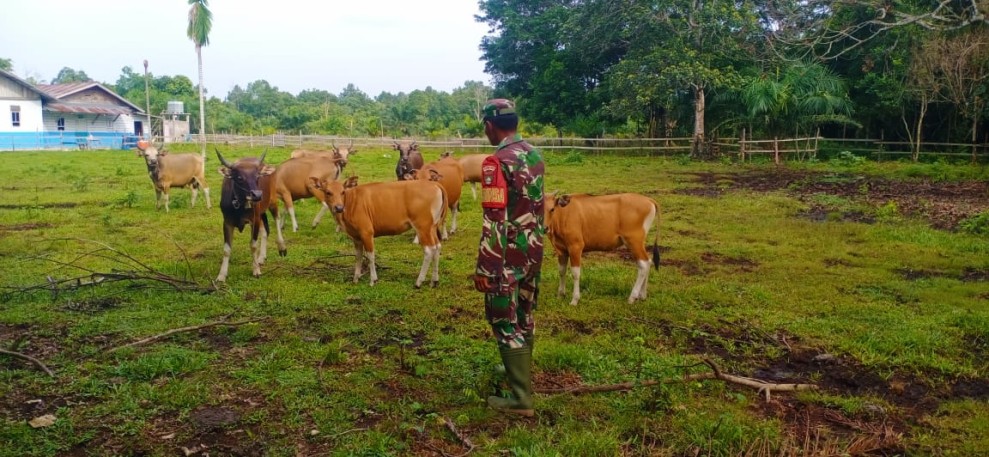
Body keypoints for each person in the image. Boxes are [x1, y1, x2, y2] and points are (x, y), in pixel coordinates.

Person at [473, 98, 545, 416]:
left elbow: (495, 219)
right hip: (533, 249)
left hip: (506, 256)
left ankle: (520, 398)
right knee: (525, 314)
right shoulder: (533, 153)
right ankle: (517, 372)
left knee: (503, 320)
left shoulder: (496, 162)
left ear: (490, 126)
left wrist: (486, 267)